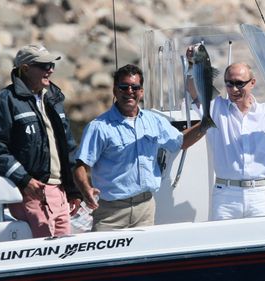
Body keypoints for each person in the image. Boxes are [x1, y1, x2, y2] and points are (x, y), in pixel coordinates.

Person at [74, 64, 209, 231]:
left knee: (143, 258)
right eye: (124, 87)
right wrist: (86, 189)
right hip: (110, 213)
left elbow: (180, 142)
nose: (129, 91)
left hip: (145, 208)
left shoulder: (154, 121)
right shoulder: (98, 127)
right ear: (115, 91)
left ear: (141, 92)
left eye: (135, 87)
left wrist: (205, 124)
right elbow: (80, 167)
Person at [186, 46, 265, 220]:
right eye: (229, 83)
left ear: (252, 83)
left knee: (262, 244)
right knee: (224, 246)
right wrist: (193, 63)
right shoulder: (215, 108)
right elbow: (195, 91)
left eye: (239, 84)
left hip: (259, 194)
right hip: (225, 195)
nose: (234, 89)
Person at [0, 44, 82, 237]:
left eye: (51, 64)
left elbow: (68, 147)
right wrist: (25, 180)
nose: (50, 69)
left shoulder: (54, 98)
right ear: (26, 68)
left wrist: (73, 190)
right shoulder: (5, 100)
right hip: (32, 194)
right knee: (45, 255)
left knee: (64, 258)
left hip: (60, 193)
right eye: (44, 66)